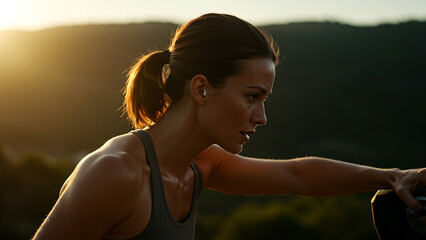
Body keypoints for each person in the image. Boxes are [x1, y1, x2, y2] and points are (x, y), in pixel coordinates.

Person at [32, 13, 426, 240]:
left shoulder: (199, 164)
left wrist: (394, 177)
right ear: (201, 88)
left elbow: (299, 176)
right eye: (251, 97)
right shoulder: (115, 173)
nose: (261, 117)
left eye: (264, 100)